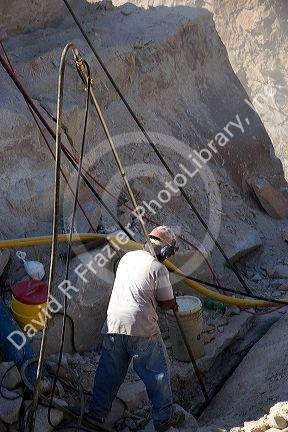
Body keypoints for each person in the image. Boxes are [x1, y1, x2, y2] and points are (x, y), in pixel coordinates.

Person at [89, 226, 185, 431]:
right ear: (166, 251)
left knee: (109, 372)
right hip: (140, 326)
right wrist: (174, 303)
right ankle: (164, 419)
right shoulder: (159, 269)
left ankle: (96, 415)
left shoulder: (127, 257)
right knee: (157, 371)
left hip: (113, 322)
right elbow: (166, 302)